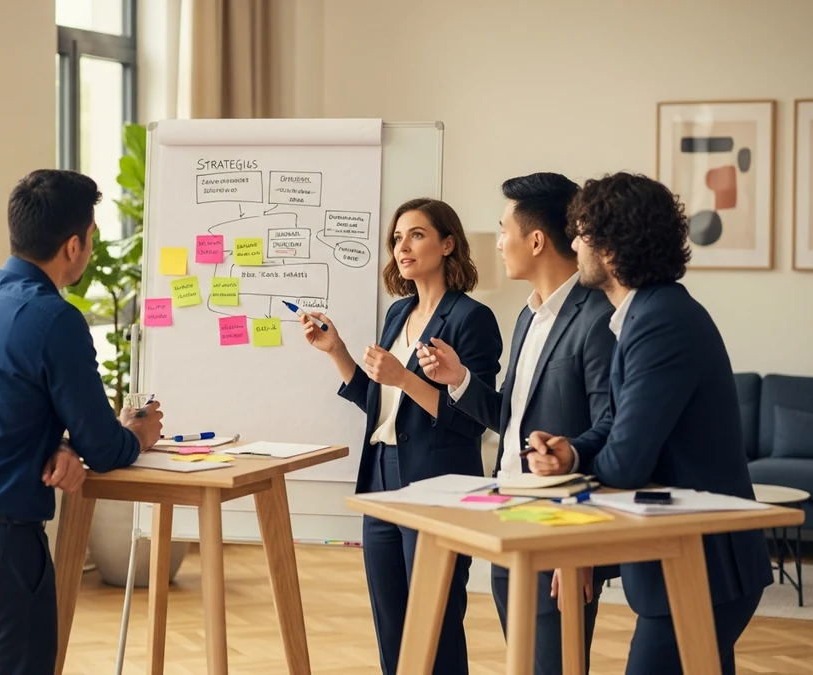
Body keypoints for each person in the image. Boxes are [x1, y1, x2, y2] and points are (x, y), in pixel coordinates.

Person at [0, 169, 164, 675]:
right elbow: (106, 447)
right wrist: (136, 432)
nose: (91, 248)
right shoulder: (57, 319)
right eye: (91, 237)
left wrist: (61, 443)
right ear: (73, 245)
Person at [524, 172, 771, 675]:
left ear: (613, 245)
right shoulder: (644, 315)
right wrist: (570, 450)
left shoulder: (658, 321)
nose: (573, 243)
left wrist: (579, 473)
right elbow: (616, 423)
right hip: (694, 565)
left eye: (583, 232)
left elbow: (627, 461)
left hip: (702, 568)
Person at [416, 173, 617, 675]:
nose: (499, 241)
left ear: (536, 240)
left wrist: (585, 545)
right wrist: (459, 378)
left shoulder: (597, 318)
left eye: (503, 228)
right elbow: (512, 419)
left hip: (560, 530)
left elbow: (611, 429)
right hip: (512, 516)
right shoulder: (529, 316)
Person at [300, 197, 502, 675]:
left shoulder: (472, 318)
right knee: (391, 621)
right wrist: (337, 351)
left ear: (447, 244)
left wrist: (405, 379)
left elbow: (473, 419)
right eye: (397, 238)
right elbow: (381, 403)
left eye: (416, 235)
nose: (402, 246)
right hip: (381, 478)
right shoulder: (398, 314)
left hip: (436, 482)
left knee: (435, 619)